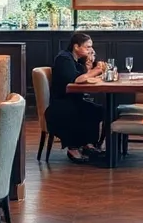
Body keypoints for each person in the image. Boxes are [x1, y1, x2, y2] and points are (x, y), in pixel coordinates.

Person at [45, 32, 108, 164]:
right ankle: (73, 149)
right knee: (77, 111)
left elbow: (83, 75)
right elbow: (77, 79)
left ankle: (88, 145)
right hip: (60, 104)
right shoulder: (64, 59)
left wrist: (89, 65)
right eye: (87, 47)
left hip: (73, 100)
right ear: (76, 47)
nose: (91, 50)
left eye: (91, 47)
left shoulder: (77, 60)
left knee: (97, 110)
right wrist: (96, 70)